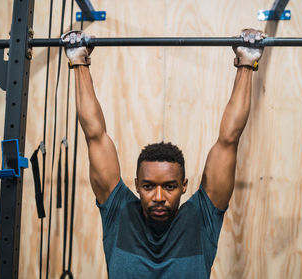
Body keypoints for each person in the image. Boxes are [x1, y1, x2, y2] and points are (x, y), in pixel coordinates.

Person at [62, 28, 265, 279]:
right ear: (136, 185)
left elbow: (229, 139)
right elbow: (94, 134)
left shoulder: (202, 217)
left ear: (184, 185)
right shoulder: (119, 212)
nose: (159, 197)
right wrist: (78, 60)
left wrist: (247, 61)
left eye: (169, 187)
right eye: (148, 186)